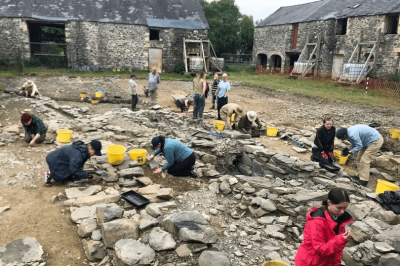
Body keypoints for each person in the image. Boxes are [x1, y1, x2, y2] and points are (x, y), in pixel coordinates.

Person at [295, 188, 353, 266]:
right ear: (329, 202)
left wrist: (336, 264)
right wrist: (340, 240)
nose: (342, 211)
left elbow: (337, 250)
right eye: (339, 208)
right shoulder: (317, 221)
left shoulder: (339, 219)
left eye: (345, 208)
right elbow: (320, 249)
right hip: (311, 262)